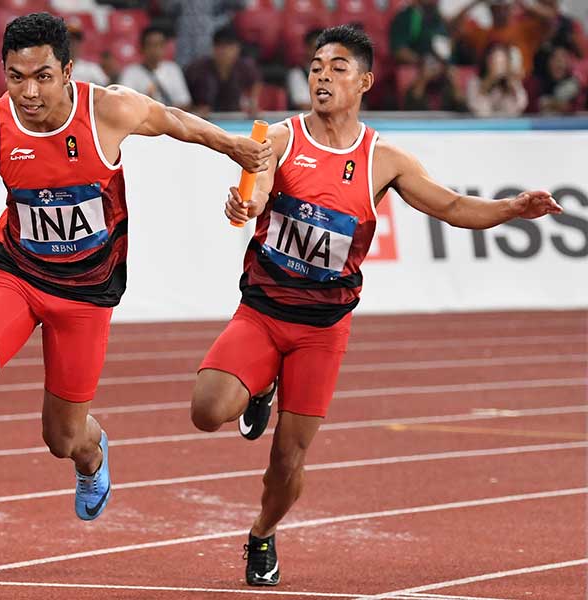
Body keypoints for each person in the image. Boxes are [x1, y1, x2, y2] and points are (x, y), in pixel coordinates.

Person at [0, 12, 271, 579]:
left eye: (43, 76)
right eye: (15, 76)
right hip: (18, 274)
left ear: (69, 71)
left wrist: (234, 148)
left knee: (62, 436)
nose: (28, 91)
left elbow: (174, 120)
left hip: (87, 294)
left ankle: (92, 454)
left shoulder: (109, 110)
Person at [190, 24, 562, 587]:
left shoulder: (382, 159)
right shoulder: (285, 138)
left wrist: (511, 207)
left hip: (323, 329)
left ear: (364, 81)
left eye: (338, 68)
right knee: (206, 410)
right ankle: (261, 386)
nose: (322, 76)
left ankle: (262, 533)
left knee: (288, 462)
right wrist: (247, 205)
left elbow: (452, 206)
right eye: (316, 66)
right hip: (264, 311)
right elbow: (258, 185)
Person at [185, 25, 261, 116]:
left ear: (237, 48)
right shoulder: (196, 69)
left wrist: (253, 101)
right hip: (201, 119)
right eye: (220, 46)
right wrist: (194, 110)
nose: (224, 51)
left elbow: (256, 83)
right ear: (213, 48)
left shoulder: (246, 67)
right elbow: (183, 99)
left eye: (229, 46)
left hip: (234, 118)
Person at [119, 25, 192, 110]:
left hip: (170, 119)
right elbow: (124, 103)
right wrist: (146, 100)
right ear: (142, 48)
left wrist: (163, 110)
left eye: (160, 45)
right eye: (151, 45)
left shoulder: (173, 69)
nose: (156, 50)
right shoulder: (131, 72)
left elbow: (185, 103)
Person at [466, 42, 528, 116]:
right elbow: (474, 105)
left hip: (509, 125)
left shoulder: (512, 82)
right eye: (494, 62)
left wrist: (513, 86)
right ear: (487, 61)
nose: (498, 66)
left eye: (501, 63)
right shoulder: (475, 81)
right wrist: (489, 81)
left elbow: (521, 105)